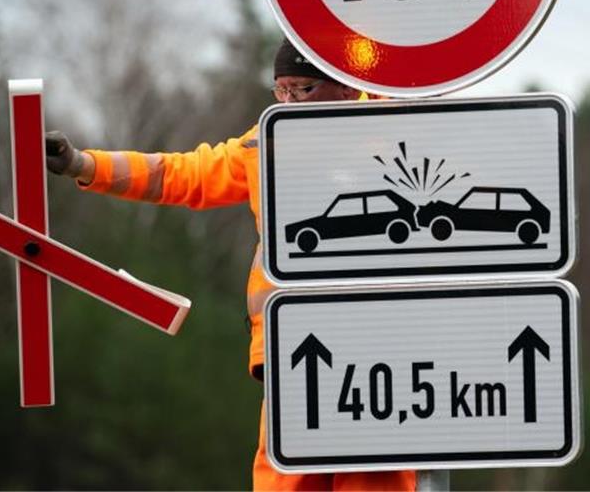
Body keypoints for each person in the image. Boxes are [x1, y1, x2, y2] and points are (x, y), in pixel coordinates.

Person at [45, 38, 416, 492]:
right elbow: (178, 174)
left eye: (302, 89)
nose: (288, 102)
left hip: (387, 343)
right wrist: (83, 164)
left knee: (374, 476)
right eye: (280, 90)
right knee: (289, 477)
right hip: (295, 346)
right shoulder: (264, 143)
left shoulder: (397, 125)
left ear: (343, 87)